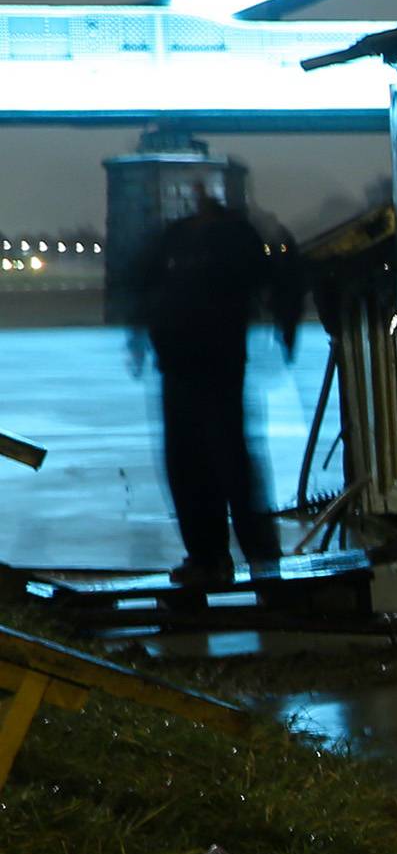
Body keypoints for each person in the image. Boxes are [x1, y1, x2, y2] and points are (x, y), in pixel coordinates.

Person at [130, 186, 302, 589]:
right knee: (198, 463)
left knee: (222, 462)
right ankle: (219, 558)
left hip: (210, 365)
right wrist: (286, 327)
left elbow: (145, 284)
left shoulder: (222, 237)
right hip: (186, 365)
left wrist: (286, 326)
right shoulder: (202, 236)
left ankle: (247, 559)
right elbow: (279, 280)